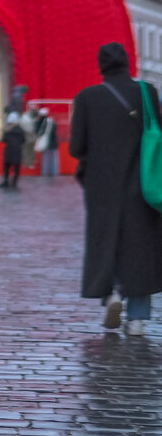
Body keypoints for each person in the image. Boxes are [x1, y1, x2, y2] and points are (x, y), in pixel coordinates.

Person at [70, 42, 162, 336]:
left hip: (101, 185)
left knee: (104, 239)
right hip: (143, 184)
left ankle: (110, 295)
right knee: (141, 246)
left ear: (101, 66)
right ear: (127, 63)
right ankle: (137, 318)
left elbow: (76, 147)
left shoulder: (87, 97)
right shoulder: (148, 93)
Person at [0, 112, 26, 189]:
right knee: (17, 167)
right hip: (18, 150)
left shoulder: (7, 130)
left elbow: (3, 139)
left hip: (9, 150)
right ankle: (14, 182)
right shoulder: (20, 130)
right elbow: (23, 140)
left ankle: (6, 181)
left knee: (7, 166)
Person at [37, 107, 60, 176]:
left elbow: (38, 131)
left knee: (45, 159)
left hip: (45, 142)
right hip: (53, 142)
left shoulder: (40, 122)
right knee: (54, 159)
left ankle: (45, 172)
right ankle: (54, 172)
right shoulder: (51, 121)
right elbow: (54, 131)